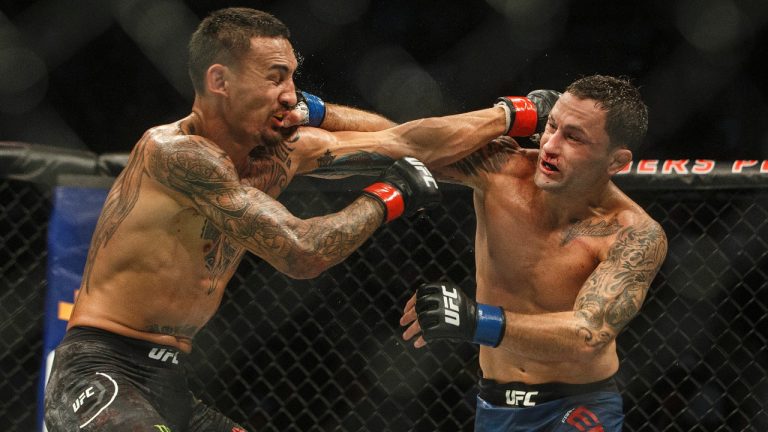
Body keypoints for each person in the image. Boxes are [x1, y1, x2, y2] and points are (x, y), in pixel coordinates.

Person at [43, 7, 558, 431]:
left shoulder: (277, 151)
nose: (290, 93)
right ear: (219, 80)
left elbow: (399, 138)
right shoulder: (177, 154)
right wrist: (390, 196)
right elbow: (299, 251)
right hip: (102, 369)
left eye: (293, 77)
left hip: (170, 379)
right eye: (275, 78)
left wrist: (508, 116)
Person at [400, 75, 668, 431]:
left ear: (616, 162)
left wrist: (475, 320)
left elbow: (588, 333)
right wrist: (506, 115)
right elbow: (397, 142)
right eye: (551, 126)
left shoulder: (633, 232)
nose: (550, 145)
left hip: (580, 407)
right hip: (495, 406)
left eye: (573, 137)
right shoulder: (502, 170)